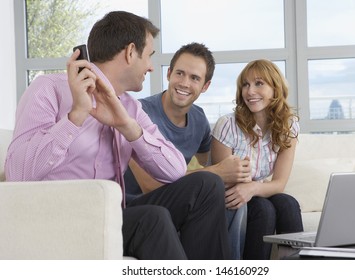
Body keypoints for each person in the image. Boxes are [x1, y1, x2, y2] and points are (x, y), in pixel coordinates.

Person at [5, 11, 231, 260]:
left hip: (112, 213)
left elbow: (175, 170)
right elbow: (18, 174)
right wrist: (76, 115)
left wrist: (126, 126)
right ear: (130, 52)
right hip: (61, 216)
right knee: (153, 219)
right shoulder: (48, 89)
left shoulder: (131, 109)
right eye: (149, 56)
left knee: (206, 186)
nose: (151, 66)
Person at [124, 42, 252, 259]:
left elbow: (199, 170)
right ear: (169, 74)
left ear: (205, 86)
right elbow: (150, 185)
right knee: (210, 181)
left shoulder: (199, 119)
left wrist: (236, 176)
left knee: (234, 198)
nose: (184, 83)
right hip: (138, 204)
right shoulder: (139, 112)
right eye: (180, 73)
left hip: (175, 204)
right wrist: (217, 172)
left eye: (194, 78)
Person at [211, 59, 304, 259]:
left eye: (259, 83)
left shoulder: (289, 125)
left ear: (275, 88)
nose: (250, 91)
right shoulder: (227, 124)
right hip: (228, 195)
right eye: (245, 84)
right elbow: (224, 181)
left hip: (253, 190)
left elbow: (279, 184)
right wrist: (251, 189)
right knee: (263, 209)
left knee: (288, 204)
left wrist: (253, 188)